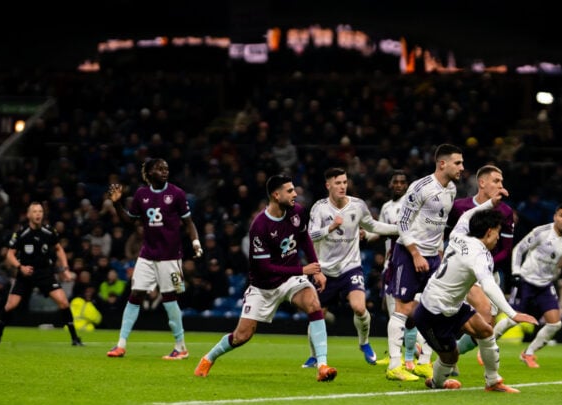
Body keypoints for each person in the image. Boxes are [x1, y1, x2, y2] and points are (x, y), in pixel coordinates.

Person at [194, 174, 337, 382]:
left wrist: (316, 270)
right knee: (242, 336)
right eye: (290, 191)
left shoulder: (296, 212)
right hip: (263, 286)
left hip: (290, 280)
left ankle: (322, 365)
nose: (295, 194)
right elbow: (265, 267)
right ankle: (208, 358)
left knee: (313, 303)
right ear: (276, 195)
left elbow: (304, 238)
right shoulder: (259, 226)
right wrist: (302, 270)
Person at [412, 209, 536, 392]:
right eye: (497, 232)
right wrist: (513, 314)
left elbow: (465, 217)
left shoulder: (458, 234)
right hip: (433, 313)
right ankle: (436, 383)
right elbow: (489, 285)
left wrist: (490, 202)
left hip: (453, 305)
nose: (498, 238)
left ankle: (493, 381)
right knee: (450, 358)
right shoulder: (480, 255)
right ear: (488, 232)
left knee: (485, 331)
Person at [105, 157, 202, 359]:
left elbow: (189, 222)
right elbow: (129, 221)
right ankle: (120, 345)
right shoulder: (141, 195)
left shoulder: (176, 194)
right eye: (159, 169)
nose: (165, 171)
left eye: (166, 168)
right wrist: (117, 204)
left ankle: (181, 347)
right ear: (149, 173)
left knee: (169, 299)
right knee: (135, 294)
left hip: (170, 257)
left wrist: (195, 242)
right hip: (147, 255)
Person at [383, 143, 463, 381]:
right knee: (404, 309)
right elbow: (403, 224)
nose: (461, 167)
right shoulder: (420, 187)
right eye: (457, 163)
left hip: (432, 256)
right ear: (442, 164)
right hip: (408, 254)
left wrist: (439, 254)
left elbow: (438, 227)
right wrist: (416, 253)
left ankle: (424, 363)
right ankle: (395, 365)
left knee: (437, 308)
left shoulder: (452, 190)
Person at [302, 167, 394, 368]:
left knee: (359, 307)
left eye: (344, 182)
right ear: (328, 185)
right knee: (317, 313)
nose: (343, 186)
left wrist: (398, 230)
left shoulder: (358, 206)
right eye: (338, 183)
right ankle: (314, 355)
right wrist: (331, 228)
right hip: (324, 270)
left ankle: (364, 343)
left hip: (350, 267)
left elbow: (373, 226)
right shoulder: (319, 208)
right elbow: (310, 236)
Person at [491, 202, 562, 368]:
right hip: (526, 281)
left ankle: (528, 353)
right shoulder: (541, 232)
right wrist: (516, 272)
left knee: (555, 323)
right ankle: (487, 348)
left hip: (545, 284)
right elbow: (519, 249)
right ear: (555, 217)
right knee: (513, 319)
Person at [447, 164, 517, 368]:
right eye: (496, 181)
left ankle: (450, 356)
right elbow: (448, 235)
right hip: (461, 272)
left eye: (502, 182)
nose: (501, 185)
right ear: (482, 183)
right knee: (455, 314)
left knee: (485, 328)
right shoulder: (460, 207)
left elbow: (506, 249)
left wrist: (483, 263)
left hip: (489, 272)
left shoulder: (505, 211)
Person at [0, 201, 84, 346]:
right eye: (35, 211)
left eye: (40, 211)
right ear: (28, 215)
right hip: (26, 274)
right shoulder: (21, 234)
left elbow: (59, 249)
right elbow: (10, 254)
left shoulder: (49, 232)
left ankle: (75, 339)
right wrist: (20, 267)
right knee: (10, 306)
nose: (38, 214)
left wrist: (65, 268)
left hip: (45, 273)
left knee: (64, 302)